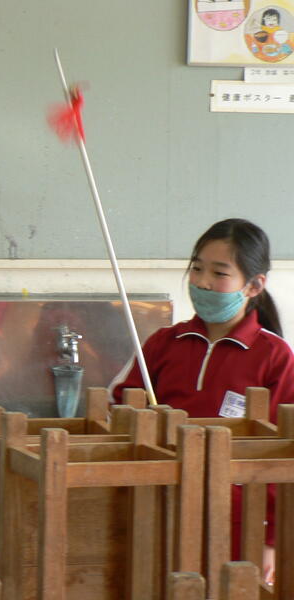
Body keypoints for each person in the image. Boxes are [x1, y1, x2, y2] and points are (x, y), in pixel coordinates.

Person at [109, 218, 294, 585]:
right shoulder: (164, 343)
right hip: (160, 506)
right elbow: (120, 408)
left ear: (254, 285)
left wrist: (272, 539)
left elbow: (286, 453)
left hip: (239, 521)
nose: (203, 282)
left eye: (219, 273)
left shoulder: (275, 357)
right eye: (196, 269)